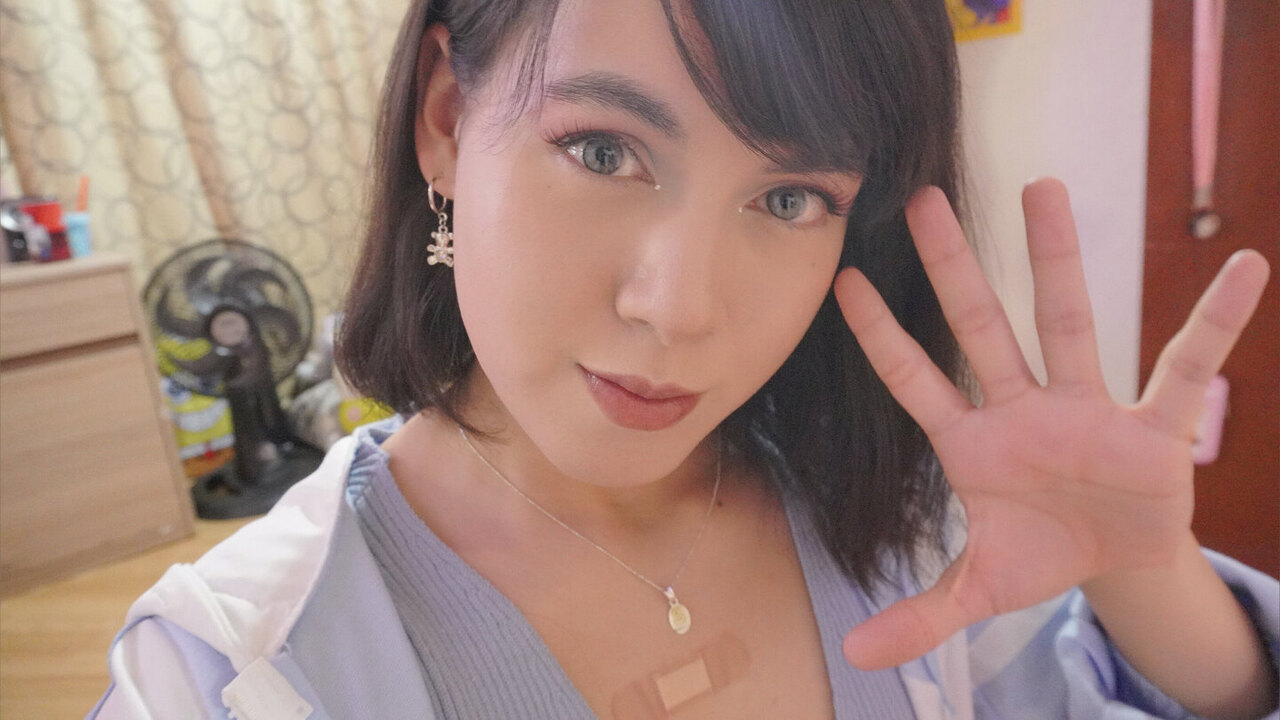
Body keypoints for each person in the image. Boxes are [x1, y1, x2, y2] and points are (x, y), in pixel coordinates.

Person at [91, 0, 1279, 718]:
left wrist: (1142, 575)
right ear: (445, 118)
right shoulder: (228, 669)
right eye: (602, 151)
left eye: (789, 197)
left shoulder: (906, 523)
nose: (679, 309)